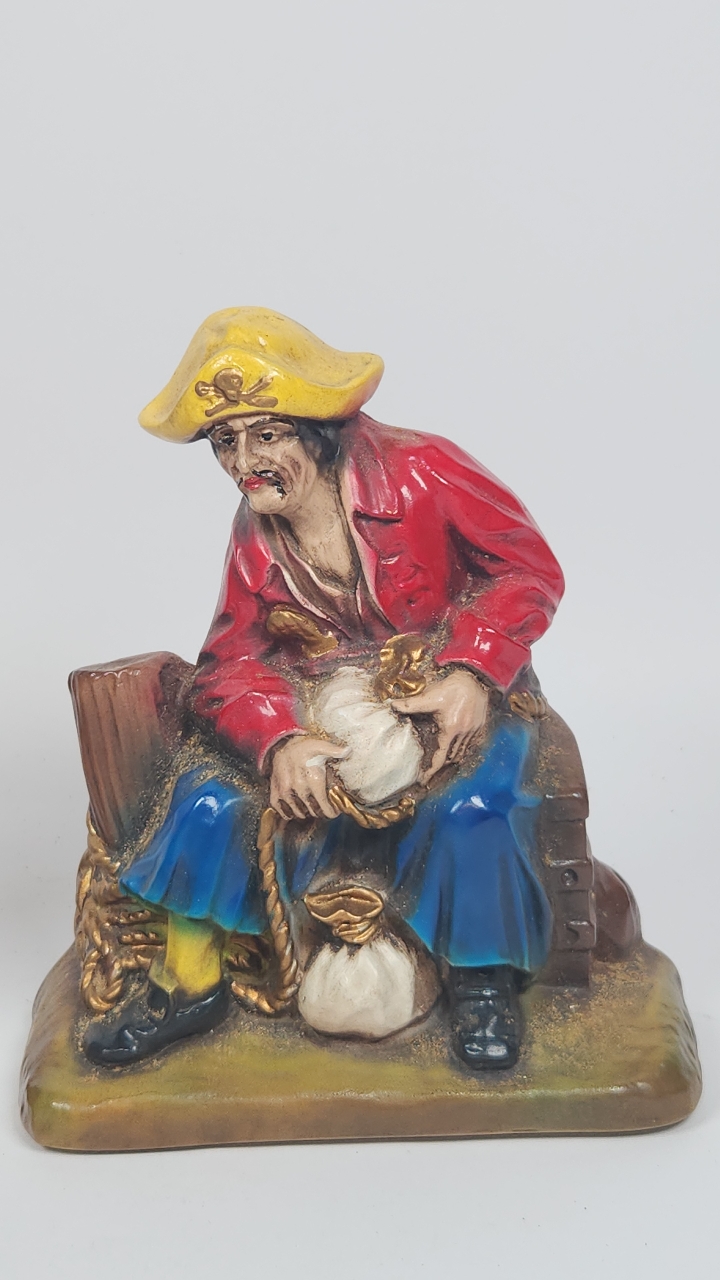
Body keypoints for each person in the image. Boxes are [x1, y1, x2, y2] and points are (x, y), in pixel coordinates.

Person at [83, 308, 565, 1070]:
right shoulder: (257, 532)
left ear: (318, 429)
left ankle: (482, 980)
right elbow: (230, 664)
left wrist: (471, 669)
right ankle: (187, 981)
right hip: (325, 717)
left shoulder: (425, 471)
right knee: (206, 803)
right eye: (226, 441)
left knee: (476, 806)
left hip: (456, 701)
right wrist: (280, 739)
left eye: (267, 435)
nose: (245, 463)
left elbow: (528, 569)